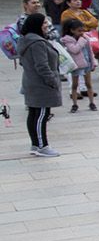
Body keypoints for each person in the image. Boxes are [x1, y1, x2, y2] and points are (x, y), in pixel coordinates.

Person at [16, 13, 62, 157]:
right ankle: (42, 146)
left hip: (31, 82)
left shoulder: (26, 40)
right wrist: (53, 81)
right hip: (41, 85)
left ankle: (35, 144)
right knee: (42, 114)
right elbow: (42, 66)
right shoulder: (37, 43)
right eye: (43, 24)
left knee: (34, 114)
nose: (46, 26)